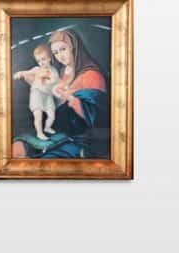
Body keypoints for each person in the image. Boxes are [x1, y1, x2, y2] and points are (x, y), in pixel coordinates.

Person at [12, 28, 108, 159]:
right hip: (55, 133)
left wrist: (70, 98)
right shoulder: (60, 71)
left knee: (44, 162)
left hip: (77, 139)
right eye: (55, 53)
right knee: (16, 149)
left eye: (63, 49)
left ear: (74, 47)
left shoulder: (92, 76)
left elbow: (98, 118)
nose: (60, 56)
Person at [12, 44, 59, 141]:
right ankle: (39, 133)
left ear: (49, 58)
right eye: (39, 61)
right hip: (37, 94)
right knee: (38, 115)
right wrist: (19, 74)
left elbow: (56, 81)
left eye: (43, 59)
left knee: (52, 116)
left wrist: (49, 80)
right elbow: (26, 72)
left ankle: (47, 128)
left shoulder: (54, 71)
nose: (41, 63)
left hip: (47, 96)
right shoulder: (37, 69)